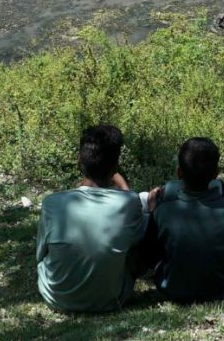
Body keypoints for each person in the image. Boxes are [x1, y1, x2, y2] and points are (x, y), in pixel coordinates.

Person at [37, 125, 146, 312]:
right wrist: (124, 187)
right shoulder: (130, 202)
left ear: (79, 161)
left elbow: (40, 255)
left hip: (56, 298)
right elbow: (133, 235)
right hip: (111, 300)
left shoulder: (51, 203)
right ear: (115, 165)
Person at [142, 137, 224, 303]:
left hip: (173, 289)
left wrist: (153, 210)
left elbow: (149, 253)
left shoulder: (163, 210)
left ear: (179, 172)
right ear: (217, 174)